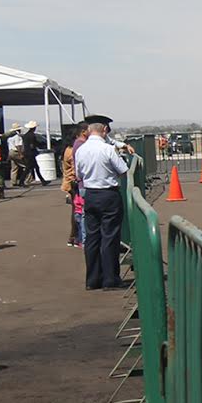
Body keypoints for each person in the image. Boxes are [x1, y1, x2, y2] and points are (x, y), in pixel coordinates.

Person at [73, 115, 133, 290]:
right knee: (110, 237)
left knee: (92, 237)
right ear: (105, 129)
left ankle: (92, 279)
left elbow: (79, 175)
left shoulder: (81, 150)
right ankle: (110, 278)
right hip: (108, 194)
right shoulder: (107, 149)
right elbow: (123, 170)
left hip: (90, 194)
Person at [62, 121, 88, 246]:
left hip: (69, 183)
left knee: (76, 210)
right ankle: (76, 237)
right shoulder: (73, 150)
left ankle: (74, 237)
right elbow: (75, 168)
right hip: (74, 184)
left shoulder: (67, 150)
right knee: (78, 211)